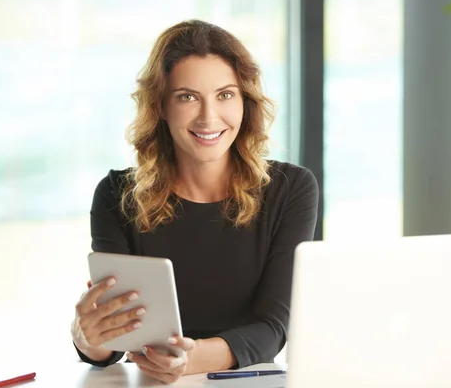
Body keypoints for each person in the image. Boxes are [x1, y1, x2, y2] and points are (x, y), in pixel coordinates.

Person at [70, 19, 319, 384]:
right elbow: (116, 342)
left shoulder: (290, 188)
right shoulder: (116, 195)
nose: (208, 117)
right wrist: (88, 339)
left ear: (245, 101)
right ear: (161, 106)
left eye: (225, 95)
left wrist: (189, 361)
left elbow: (274, 327)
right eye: (187, 97)